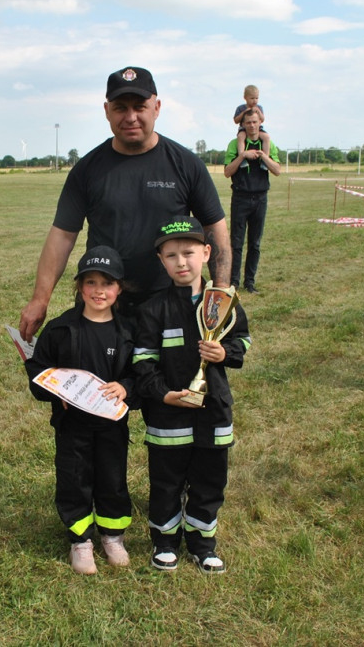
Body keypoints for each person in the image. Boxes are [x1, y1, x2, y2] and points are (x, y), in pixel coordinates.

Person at [18, 66, 232, 342]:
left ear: (156, 107)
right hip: (104, 303)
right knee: (103, 382)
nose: (130, 117)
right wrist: (40, 298)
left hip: (172, 302)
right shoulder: (87, 170)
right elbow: (62, 236)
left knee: (169, 382)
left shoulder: (186, 165)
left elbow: (216, 230)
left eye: (140, 107)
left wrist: (221, 294)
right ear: (106, 111)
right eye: (120, 108)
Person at [133, 216, 250, 573]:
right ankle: (165, 541)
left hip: (212, 412)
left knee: (210, 481)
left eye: (189, 252)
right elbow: (143, 362)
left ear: (207, 253)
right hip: (168, 415)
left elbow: (241, 341)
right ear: (160, 260)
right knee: (166, 481)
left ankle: (202, 542)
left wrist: (224, 354)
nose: (181, 262)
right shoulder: (153, 309)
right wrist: (163, 394)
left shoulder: (223, 301)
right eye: (171, 255)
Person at [25, 246, 136, 575]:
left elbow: (141, 373)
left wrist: (126, 387)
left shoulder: (127, 332)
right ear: (78, 287)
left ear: (119, 289)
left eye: (108, 283)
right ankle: (80, 540)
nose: (99, 290)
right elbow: (38, 371)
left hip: (112, 427)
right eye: (90, 282)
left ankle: (112, 536)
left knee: (112, 479)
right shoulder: (61, 329)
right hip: (72, 427)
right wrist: (52, 388)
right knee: (74, 478)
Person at [223, 107, 281, 293]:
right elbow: (227, 172)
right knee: (237, 243)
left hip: (260, 199)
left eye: (255, 122)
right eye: (248, 122)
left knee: (255, 243)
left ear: (260, 123)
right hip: (240, 198)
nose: (252, 126)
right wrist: (242, 156)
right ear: (243, 125)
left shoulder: (267, 144)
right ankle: (234, 282)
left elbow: (277, 170)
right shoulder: (235, 144)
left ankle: (250, 282)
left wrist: (264, 156)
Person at [232, 85, 271, 169]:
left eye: (256, 98)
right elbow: (236, 120)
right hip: (243, 128)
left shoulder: (259, 107)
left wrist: (259, 113)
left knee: (266, 137)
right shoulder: (241, 108)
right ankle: (242, 157)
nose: (255, 101)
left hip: (257, 129)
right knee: (241, 136)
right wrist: (243, 113)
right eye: (252, 98)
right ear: (245, 98)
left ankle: (265, 160)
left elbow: (262, 119)